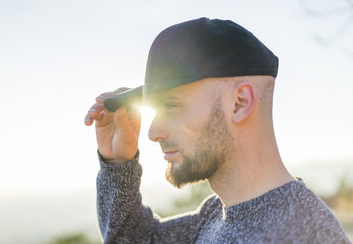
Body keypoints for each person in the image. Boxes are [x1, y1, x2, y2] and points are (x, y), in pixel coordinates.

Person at [84, 18, 351, 243]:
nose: (153, 132)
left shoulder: (302, 234)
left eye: (172, 105)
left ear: (240, 103)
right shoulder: (218, 211)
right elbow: (136, 239)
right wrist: (117, 163)